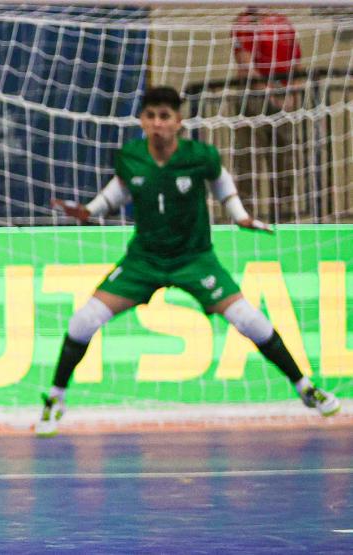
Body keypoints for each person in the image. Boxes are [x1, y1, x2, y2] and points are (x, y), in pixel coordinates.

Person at [42, 86, 339, 438]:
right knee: (83, 320)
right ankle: (56, 398)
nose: (157, 123)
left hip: (194, 258)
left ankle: (305, 387)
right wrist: (90, 210)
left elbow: (220, 182)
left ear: (178, 122)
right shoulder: (131, 156)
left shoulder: (201, 156)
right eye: (150, 116)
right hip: (145, 259)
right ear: (142, 120)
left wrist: (239, 214)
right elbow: (120, 189)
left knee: (249, 319)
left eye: (165, 117)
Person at [230, 8, 305, 222]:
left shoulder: (284, 23)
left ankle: (283, 218)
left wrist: (293, 91)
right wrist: (268, 90)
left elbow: (297, 61)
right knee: (248, 161)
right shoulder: (244, 23)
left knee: (284, 161)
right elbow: (245, 63)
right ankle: (245, 217)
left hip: (284, 96)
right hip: (253, 96)